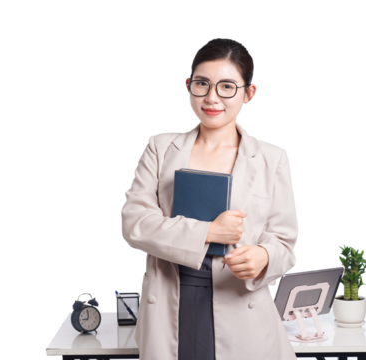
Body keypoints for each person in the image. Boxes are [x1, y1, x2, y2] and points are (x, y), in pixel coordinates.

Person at [120, 36, 298, 360]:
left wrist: (264, 257)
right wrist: (209, 233)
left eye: (227, 86)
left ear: (249, 93)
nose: (212, 97)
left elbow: (285, 245)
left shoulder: (273, 157)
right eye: (202, 83)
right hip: (170, 304)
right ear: (188, 85)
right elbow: (135, 224)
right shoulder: (160, 147)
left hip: (241, 310)